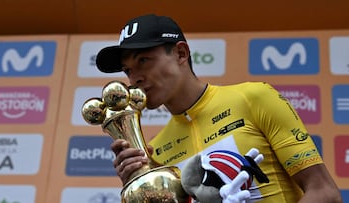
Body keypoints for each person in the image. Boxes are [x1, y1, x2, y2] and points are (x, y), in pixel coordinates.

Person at [95, 14, 343, 202]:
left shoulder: (253, 98)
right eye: (128, 70)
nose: (135, 77)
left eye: (143, 60)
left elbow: (324, 192)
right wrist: (138, 184)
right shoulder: (155, 152)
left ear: (181, 53)